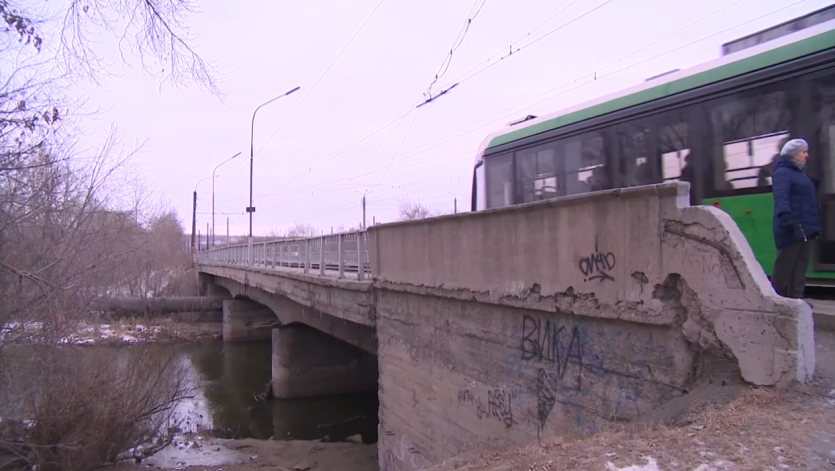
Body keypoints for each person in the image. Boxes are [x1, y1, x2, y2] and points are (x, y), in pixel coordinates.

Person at [771, 138, 820, 299]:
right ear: (794, 154)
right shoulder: (782, 173)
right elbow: (781, 197)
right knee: (784, 268)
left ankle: (796, 302)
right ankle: (775, 299)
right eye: (803, 152)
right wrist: (787, 219)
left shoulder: (801, 173)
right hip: (792, 227)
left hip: (805, 228)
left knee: (800, 268)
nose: (807, 155)